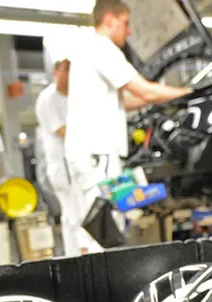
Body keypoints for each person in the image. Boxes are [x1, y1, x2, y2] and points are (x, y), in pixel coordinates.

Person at [64, 0, 192, 254]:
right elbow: (143, 89)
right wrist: (190, 93)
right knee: (99, 233)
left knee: (94, 229)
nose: (129, 31)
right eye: (125, 23)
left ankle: (95, 286)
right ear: (109, 19)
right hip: (95, 155)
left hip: (91, 154)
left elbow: (129, 99)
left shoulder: (88, 50)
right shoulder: (102, 48)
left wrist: (156, 98)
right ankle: (98, 289)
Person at [35, 59, 79, 255]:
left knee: (83, 214)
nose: (70, 74)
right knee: (72, 215)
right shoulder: (47, 98)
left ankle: (85, 252)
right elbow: (64, 132)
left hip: (76, 166)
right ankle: (75, 257)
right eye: (66, 69)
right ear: (56, 71)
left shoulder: (76, 98)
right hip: (62, 167)